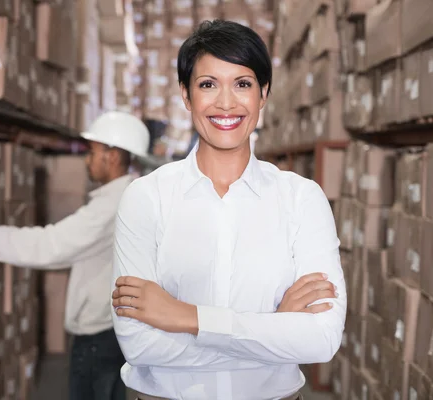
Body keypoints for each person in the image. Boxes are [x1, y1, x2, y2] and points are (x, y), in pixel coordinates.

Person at [110, 20, 347, 400]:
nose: (225, 103)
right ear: (186, 96)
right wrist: (275, 329)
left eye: (242, 84)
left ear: (263, 94)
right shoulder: (145, 198)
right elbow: (139, 345)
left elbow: (320, 339)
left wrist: (188, 318)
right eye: (207, 84)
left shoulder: (301, 199)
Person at [0, 111, 151, 400]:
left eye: (92, 152)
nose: (87, 159)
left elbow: (52, 244)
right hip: (108, 332)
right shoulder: (126, 197)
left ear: (111, 157)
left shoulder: (112, 206)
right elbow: (69, 251)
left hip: (99, 338)